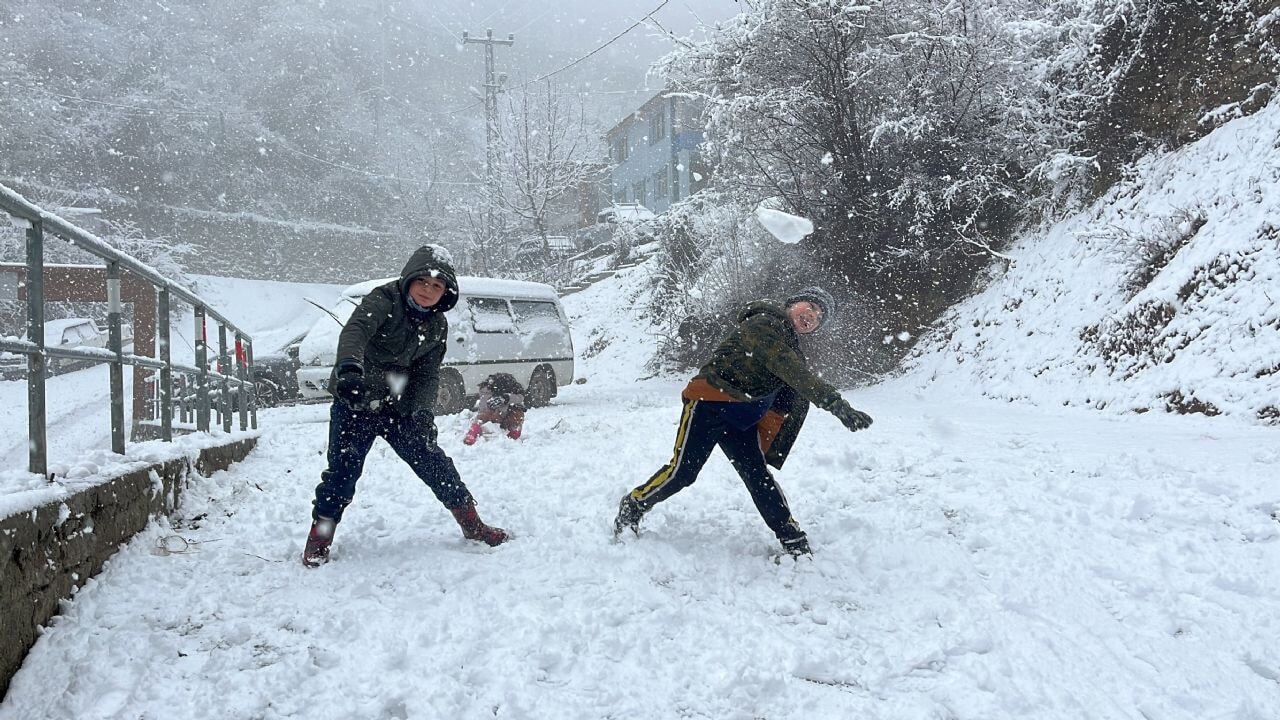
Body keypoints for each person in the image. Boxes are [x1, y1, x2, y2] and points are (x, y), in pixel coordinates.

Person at [613, 287, 873, 556]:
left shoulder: (790, 345)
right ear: (793, 303)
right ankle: (634, 505)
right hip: (708, 404)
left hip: (741, 420)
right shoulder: (765, 323)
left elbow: (792, 389)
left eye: (818, 318)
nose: (812, 317)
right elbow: (791, 370)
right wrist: (836, 404)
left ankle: (791, 537)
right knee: (683, 472)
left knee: (758, 476)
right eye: (811, 307)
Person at [302, 245, 508, 567]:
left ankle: (472, 524)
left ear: (445, 292)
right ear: (409, 279)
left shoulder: (437, 325)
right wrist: (350, 371)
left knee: (436, 465)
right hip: (356, 401)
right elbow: (355, 332)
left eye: (437, 285)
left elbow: (427, 374)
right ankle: (319, 538)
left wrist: (423, 412)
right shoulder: (383, 300)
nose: (428, 290)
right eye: (422, 281)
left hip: (398, 407)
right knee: (342, 475)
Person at [463, 373, 527, 445]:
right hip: (489, 415)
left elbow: (520, 398)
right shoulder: (486, 391)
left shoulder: (514, 390)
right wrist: (494, 408)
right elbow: (483, 410)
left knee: (518, 413)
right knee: (483, 417)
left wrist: (506, 398)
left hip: (506, 415)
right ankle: (473, 432)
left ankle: (513, 434)